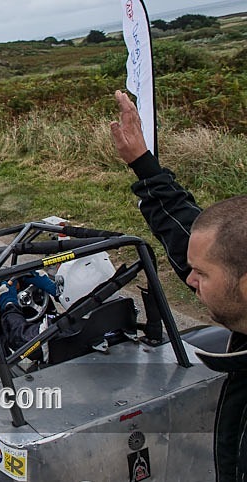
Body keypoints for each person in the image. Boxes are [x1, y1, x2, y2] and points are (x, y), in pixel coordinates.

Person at [110, 89, 247, 481]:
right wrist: (143, 164)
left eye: (201, 275)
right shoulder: (235, 267)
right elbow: (191, 233)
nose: (188, 280)